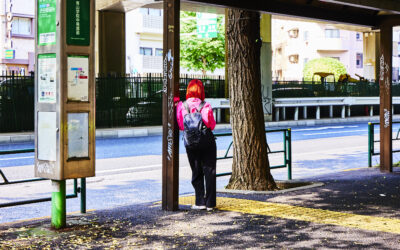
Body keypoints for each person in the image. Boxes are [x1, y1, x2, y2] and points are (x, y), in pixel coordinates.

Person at [176, 79, 217, 211]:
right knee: (209, 171)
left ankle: (200, 202)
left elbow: (181, 126)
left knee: (196, 171)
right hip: (206, 142)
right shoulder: (205, 105)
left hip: (191, 142)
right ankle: (210, 203)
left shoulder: (182, 106)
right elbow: (211, 125)